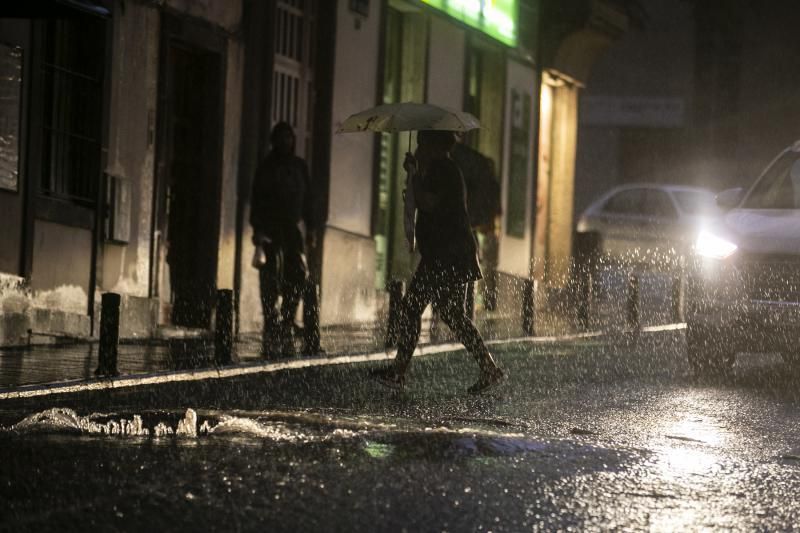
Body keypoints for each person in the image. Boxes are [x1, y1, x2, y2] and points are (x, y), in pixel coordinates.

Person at [371, 130, 506, 394]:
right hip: (445, 252)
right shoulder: (440, 170)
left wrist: (412, 176)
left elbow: (429, 202)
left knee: (414, 307)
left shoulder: (444, 170)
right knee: (451, 313)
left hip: (447, 253)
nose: (419, 150)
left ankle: (399, 371)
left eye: (422, 144)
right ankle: (488, 368)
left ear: (433, 146)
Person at [250, 122, 322, 358]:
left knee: (298, 274)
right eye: (282, 138)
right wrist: (258, 229)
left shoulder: (299, 167)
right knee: (270, 276)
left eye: (289, 138)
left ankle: (288, 318)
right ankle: (272, 320)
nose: (286, 142)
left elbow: (309, 199)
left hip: (291, 229)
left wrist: (311, 228)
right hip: (271, 228)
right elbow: (258, 199)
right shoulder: (266, 168)